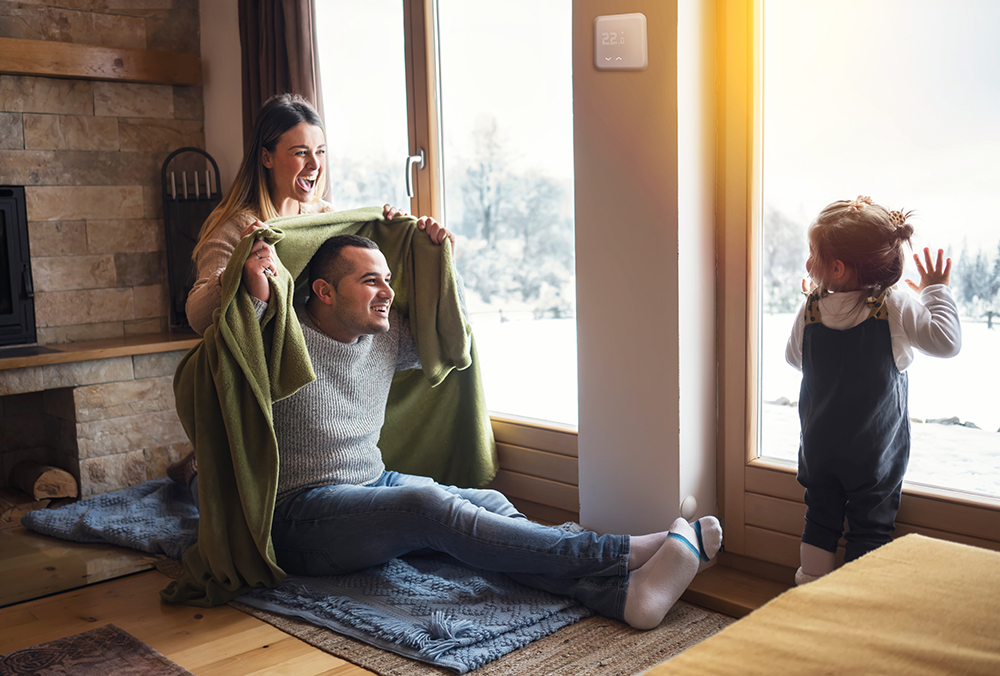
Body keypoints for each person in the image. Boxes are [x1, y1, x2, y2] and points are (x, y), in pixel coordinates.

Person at [184, 233, 722, 630]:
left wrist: (439, 259)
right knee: (427, 506)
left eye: (389, 279)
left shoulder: (386, 335)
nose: (387, 292)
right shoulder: (281, 335)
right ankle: (616, 553)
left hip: (371, 485)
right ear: (323, 291)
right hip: (300, 515)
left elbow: (451, 339)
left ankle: (624, 598)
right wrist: (255, 290)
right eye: (370, 280)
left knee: (486, 501)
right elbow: (233, 358)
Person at [785, 196, 962, 586]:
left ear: (836, 268)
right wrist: (935, 291)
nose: (807, 263)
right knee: (870, 526)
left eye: (812, 255)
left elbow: (794, 358)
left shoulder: (811, 309)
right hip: (874, 454)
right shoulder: (893, 306)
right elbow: (946, 342)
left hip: (819, 448)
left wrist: (822, 309)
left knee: (820, 518)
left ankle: (810, 589)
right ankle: (859, 602)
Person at [185, 92, 450, 336]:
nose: (315, 164)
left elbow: (364, 279)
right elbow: (197, 318)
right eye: (301, 153)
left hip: (321, 363)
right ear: (267, 157)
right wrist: (234, 273)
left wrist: (392, 231)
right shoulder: (234, 228)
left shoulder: (325, 216)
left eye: (320, 152)